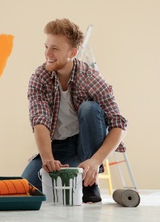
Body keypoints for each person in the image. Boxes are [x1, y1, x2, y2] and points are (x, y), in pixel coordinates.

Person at [21, 18, 128, 203]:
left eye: (55, 48)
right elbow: (40, 120)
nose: (48, 53)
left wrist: (95, 161)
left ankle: (89, 183)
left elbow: (119, 125)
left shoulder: (90, 78)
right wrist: (47, 159)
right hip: (58, 148)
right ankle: (74, 174)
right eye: (46, 47)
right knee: (26, 187)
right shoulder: (39, 77)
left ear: (72, 52)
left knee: (89, 108)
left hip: (85, 145)